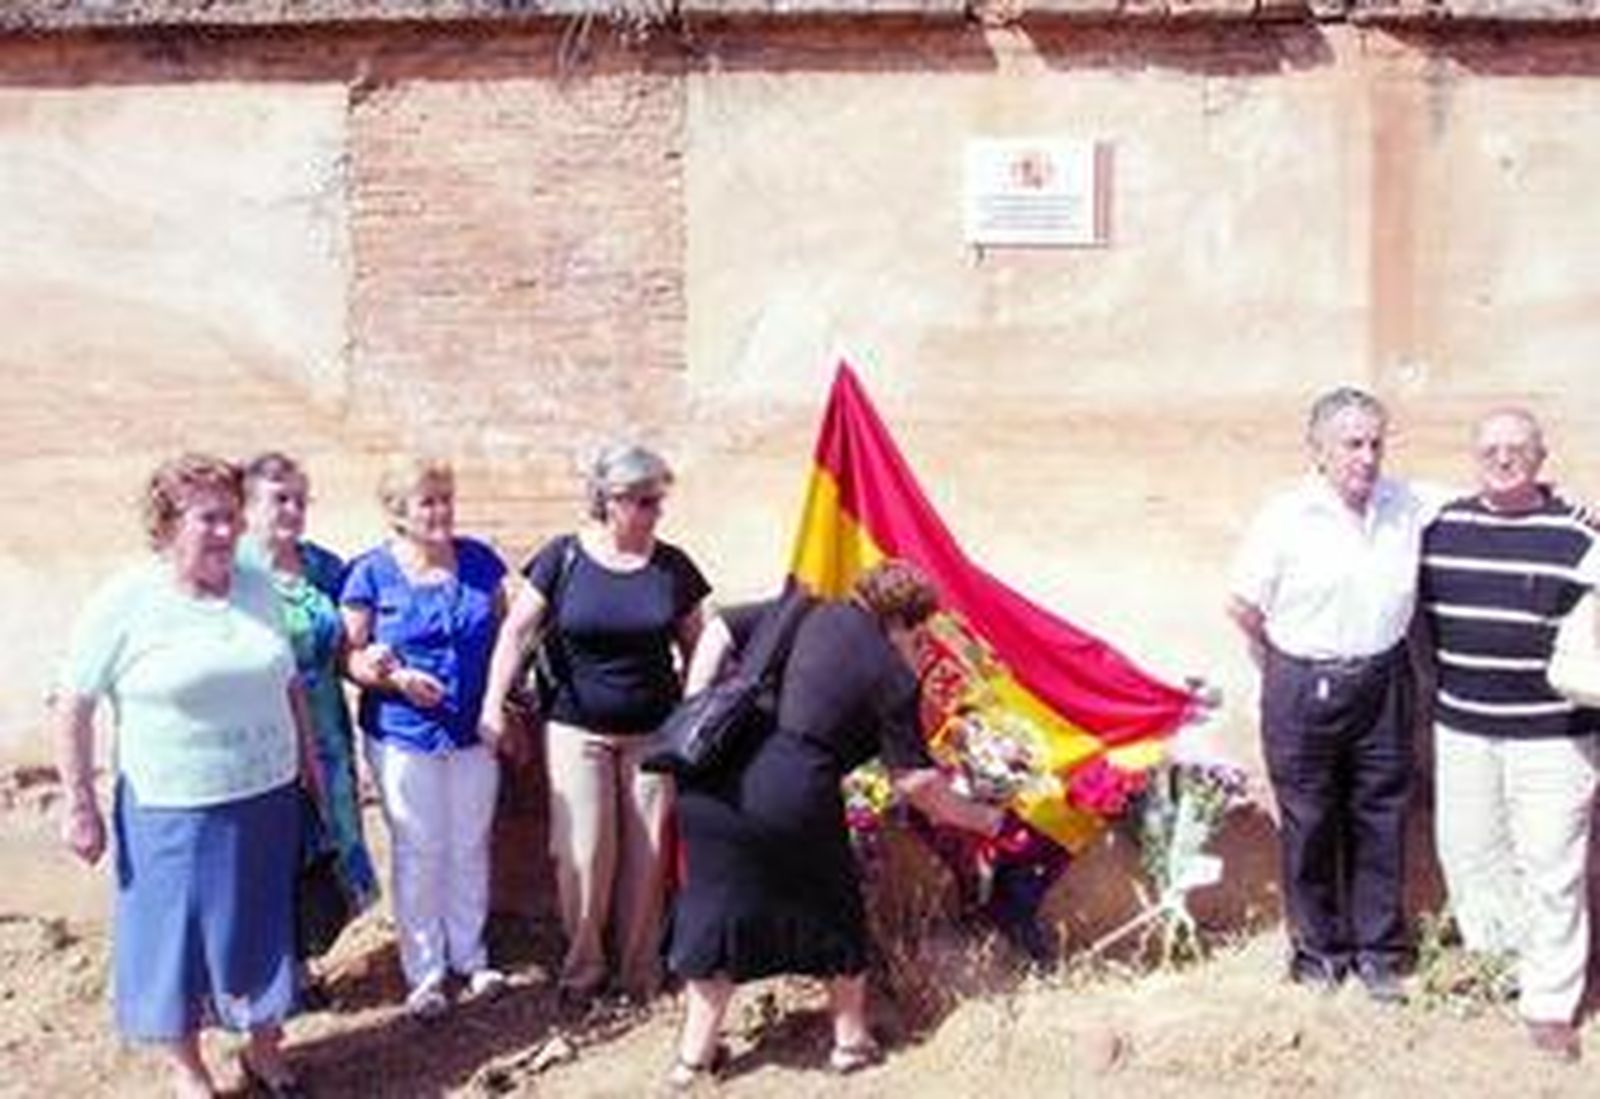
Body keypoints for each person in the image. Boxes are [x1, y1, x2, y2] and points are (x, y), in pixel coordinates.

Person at [662, 560, 1007, 1086]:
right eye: (920, 637)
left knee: (717, 908)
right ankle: (850, 1042)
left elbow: (714, 630)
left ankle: (692, 1062)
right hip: (793, 786)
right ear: (906, 624)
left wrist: (699, 702)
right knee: (833, 908)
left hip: (713, 774)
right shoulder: (892, 677)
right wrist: (987, 819)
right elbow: (917, 786)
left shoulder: (805, 610)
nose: (922, 648)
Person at [54, 454, 313, 1096]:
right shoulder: (125, 600)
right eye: (209, 518)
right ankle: (188, 1069)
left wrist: (310, 761)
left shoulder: (255, 583)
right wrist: (78, 802)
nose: (227, 531)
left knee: (263, 925)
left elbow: (288, 680)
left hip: (266, 796)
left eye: (232, 515)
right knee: (176, 942)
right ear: (167, 526)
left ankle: (263, 1048)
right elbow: (73, 703)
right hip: (174, 805)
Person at [480, 442, 709, 1004]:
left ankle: (640, 976)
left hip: (654, 731)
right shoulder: (564, 558)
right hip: (576, 729)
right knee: (582, 853)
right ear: (610, 500)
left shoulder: (671, 566)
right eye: (645, 500)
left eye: (659, 500)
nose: (657, 511)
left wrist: (696, 712)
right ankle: (583, 973)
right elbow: (516, 632)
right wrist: (492, 703)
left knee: (647, 858)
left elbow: (702, 642)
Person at [1227, 387, 1435, 1003]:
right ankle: (1318, 955)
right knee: (1310, 822)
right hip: (1301, 684)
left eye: (1376, 443)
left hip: (1384, 680)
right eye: (1352, 443)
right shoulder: (1285, 515)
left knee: (1382, 817)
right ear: (1318, 450)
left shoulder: (1408, 502)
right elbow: (1241, 604)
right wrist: (1285, 660)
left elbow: (1493, 494)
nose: (1367, 456)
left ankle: (1380, 955)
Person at [1418, 409, 1600, 1060]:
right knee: (1472, 856)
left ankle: (1552, 1004)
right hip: (1463, 728)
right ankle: (1509, 970)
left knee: (1552, 866)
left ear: (1542, 456)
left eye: (1518, 449)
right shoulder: (1440, 530)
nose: (1503, 458)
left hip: (1556, 735)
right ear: (1473, 455)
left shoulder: (1578, 532)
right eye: (1491, 448)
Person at [340, 456, 508, 1018]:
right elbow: (349, 657)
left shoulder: (481, 561)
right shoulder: (369, 574)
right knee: (418, 849)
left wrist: (508, 701)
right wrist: (393, 675)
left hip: (472, 730)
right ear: (397, 513)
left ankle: (471, 956)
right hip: (403, 733)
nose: (440, 512)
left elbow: (512, 635)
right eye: (427, 502)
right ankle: (425, 973)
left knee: (469, 843)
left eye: (445, 499)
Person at [240, 453, 380, 982]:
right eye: (281, 498)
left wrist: (375, 667)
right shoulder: (232, 573)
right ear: (249, 506)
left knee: (329, 841)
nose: (294, 509)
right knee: (276, 845)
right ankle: (280, 972)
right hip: (262, 732)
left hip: (325, 728)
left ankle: (307, 955)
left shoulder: (325, 567)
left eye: (301, 498)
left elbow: (348, 648)